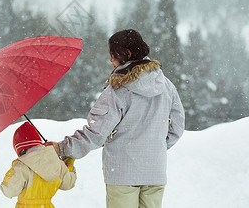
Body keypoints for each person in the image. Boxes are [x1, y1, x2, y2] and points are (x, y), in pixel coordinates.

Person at [47, 29, 185, 208]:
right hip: (155, 173)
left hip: (122, 173)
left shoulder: (118, 90)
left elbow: (96, 133)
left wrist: (62, 148)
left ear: (126, 54)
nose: (110, 60)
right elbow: (177, 127)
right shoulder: (167, 86)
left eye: (112, 55)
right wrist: (154, 146)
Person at [0, 121, 77, 208]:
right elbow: (68, 183)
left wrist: (4, 183)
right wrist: (69, 164)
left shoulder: (21, 167)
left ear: (21, 150)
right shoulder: (56, 162)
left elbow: (9, 191)